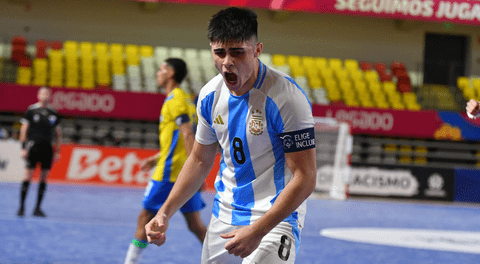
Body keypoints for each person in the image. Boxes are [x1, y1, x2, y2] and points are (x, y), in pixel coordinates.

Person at [145, 7, 317, 264]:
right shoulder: (209, 96)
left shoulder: (286, 98)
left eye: (238, 52)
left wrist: (258, 230)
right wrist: (165, 212)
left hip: (274, 218)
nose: (227, 62)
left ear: (257, 50)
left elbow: (305, 176)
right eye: (219, 52)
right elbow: (200, 160)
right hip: (224, 215)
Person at [124, 58, 208, 264]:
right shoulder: (181, 98)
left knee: (145, 218)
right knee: (195, 226)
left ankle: (130, 262)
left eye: (161, 69)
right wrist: (155, 159)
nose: (157, 73)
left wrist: (197, 170)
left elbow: (188, 135)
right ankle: (223, 260)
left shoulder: (176, 99)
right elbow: (176, 141)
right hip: (179, 170)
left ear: (171, 73)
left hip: (170, 173)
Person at [17, 86, 62, 217]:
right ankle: (21, 208)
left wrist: (57, 151)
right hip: (33, 147)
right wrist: (23, 147)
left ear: (50, 96)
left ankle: (37, 208)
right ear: (38, 95)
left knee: (43, 178)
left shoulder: (53, 113)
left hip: (47, 149)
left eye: (47, 94)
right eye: (42, 93)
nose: (45, 96)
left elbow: (58, 134)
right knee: (28, 176)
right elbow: (24, 130)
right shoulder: (31, 110)